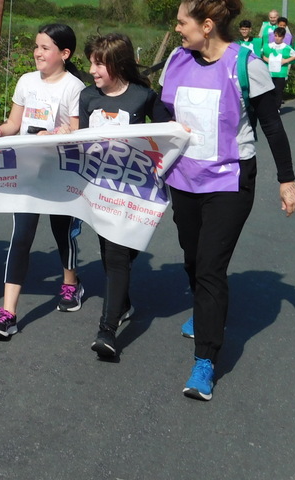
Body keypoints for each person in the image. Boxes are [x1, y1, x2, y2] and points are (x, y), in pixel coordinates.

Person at [161, 0, 295, 401]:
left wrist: (287, 179)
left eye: (182, 22)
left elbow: (272, 125)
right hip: (184, 177)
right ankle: (203, 309)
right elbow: (161, 111)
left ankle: (205, 360)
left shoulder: (246, 65)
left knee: (210, 266)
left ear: (207, 26)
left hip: (230, 180)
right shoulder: (176, 59)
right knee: (191, 255)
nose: (177, 29)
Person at [0, 24, 86, 339]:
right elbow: (14, 123)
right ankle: (8, 313)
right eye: (36, 46)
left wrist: (62, 132)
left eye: (45, 48)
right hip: (27, 173)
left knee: (62, 232)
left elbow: (79, 131)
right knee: (21, 237)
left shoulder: (74, 87)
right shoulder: (26, 81)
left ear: (64, 54)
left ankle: (71, 283)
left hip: (60, 173)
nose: (37, 53)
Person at [81, 33, 172, 359]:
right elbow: (79, 140)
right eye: (91, 63)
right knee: (111, 255)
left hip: (133, 191)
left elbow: (166, 134)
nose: (91, 70)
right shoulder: (88, 97)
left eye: (98, 64)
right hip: (98, 190)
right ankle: (122, 303)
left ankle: (107, 330)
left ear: (117, 64)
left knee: (118, 255)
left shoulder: (142, 96)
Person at [261, 26, 295, 110]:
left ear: (283, 37)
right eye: (276, 36)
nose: (277, 38)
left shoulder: (286, 47)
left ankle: (277, 108)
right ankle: (269, 107)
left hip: (280, 73)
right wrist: (265, 59)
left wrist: (286, 60)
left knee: (278, 91)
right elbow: (260, 53)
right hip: (269, 72)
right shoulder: (268, 46)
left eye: (279, 36)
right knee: (269, 91)